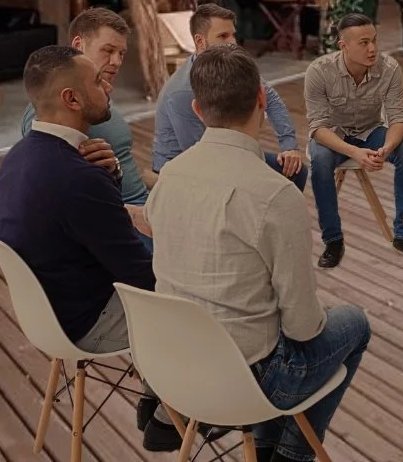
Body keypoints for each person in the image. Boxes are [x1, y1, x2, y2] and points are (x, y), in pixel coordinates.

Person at [148, 45, 370, 462]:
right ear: (261, 101)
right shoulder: (274, 194)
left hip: (176, 367)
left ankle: (269, 446)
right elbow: (304, 328)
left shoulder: (170, 176)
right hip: (249, 382)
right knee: (353, 323)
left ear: (198, 109)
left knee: (268, 322)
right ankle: (290, 454)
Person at [0, 45, 181, 452]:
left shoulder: (19, 157)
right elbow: (143, 278)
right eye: (98, 81)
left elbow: (82, 225)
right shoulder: (77, 179)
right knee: (196, 293)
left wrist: (111, 175)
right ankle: (177, 413)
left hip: (46, 312)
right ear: (72, 99)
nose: (108, 87)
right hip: (86, 321)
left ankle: (158, 393)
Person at [303, 14, 403, 267]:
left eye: (374, 41)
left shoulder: (389, 68)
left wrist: (387, 148)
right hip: (334, 135)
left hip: (371, 132)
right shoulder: (318, 71)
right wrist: (354, 152)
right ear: (343, 46)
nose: (372, 49)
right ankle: (333, 240)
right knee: (320, 159)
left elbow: (398, 118)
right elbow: (317, 128)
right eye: (363, 43)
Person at [18, 9, 155, 220]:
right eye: (108, 50)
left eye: (121, 53)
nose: (117, 61)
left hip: (144, 204)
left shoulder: (96, 96)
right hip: (123, 219)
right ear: (78, 46)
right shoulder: (54, 108)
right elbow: (50, 188)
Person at [152, 3, 306, 189]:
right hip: (181, 171)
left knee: (295, 170)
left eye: (233, 34)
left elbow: (271, 98)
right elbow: (201, 156)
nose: (233, 42)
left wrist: (288, 145)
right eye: (223, 36)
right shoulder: (182, 92)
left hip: (221, 151)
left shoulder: (231, 65)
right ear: (200, 41)